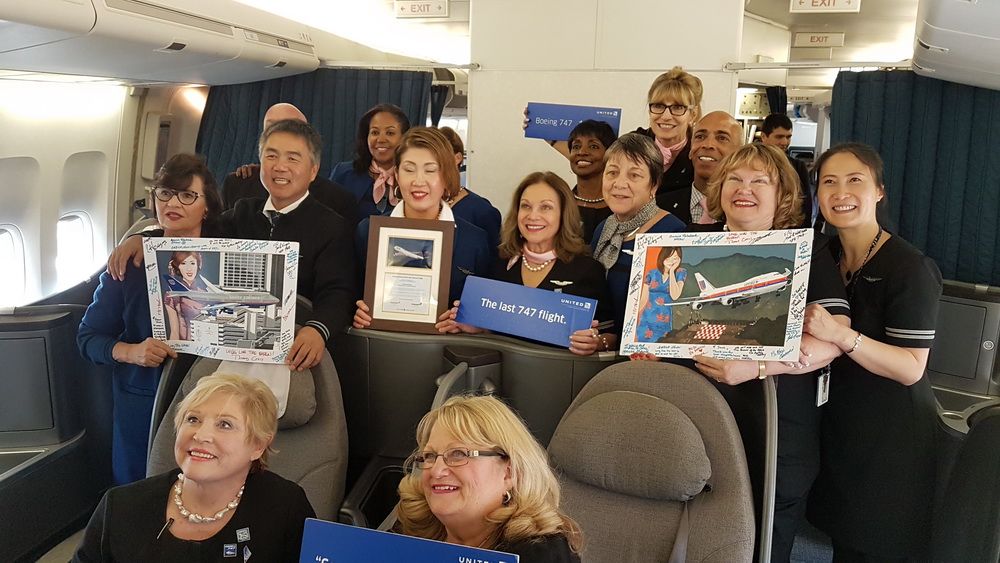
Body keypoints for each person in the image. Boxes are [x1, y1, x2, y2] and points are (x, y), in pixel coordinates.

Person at [680, 143, 851, 563]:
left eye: (761, 181)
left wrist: (755, 367)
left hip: (777, 434)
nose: (745, 189)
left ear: (782, 196)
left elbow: (834, 340)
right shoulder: (687, 247)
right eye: (735, 179)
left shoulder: (807, 251)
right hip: (696, 433)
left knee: (764, 549)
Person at [109, 120, 357, 372]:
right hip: (230, 345)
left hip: (293, 349)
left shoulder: (332, 227)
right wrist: (144, 237)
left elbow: (338, 293)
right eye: (271, 156)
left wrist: (317, 329)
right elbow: (192, 232)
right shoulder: (241, 213)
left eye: (293, 159)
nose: (280, 167)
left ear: (313, 170)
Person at [804, 142, 941, 562]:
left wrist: (843, 337)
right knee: (842, 544)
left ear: (878, 191)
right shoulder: (820, 253)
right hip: (839, 428)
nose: (840, 192)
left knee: (873, 548)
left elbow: (911, 368)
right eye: (829, 182)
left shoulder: (908, 267)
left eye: (855, 180)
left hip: (891, 439)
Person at [78, 154, 222, 485]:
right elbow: (88, 337)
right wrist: (132, 352)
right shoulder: (128, 267)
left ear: (208, 207)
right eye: (165, 193)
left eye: (188, 195)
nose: (173, 202)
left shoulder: (226, 259)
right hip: (144, 398)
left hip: (211, 398)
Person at [73, 373, 315, 562]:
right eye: (193, 419)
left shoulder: (286, 507)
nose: (201, 435)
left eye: (225, 424)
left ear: (258, 446)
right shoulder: (120, 506)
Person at [437, 171, 615, 355]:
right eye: (526, 206)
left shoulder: (586, 269)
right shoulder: (499, 262)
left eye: (546, 207)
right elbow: (497, 327)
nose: (533, 215)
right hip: (499, 377)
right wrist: (477, 327)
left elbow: (612, 336)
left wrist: (596, 342)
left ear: (563, 214)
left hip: (561, 376)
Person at [397, 394, 583, 561]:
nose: (437, 471)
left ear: (509, 472)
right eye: (429, 456)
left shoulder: (542, 553)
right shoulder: (413, 528)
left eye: (459, 454)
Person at [353, 127, 492, 327]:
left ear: (446, 176)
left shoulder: (474, 240)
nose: (418, 181)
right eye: (409, 170)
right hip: (378, 348)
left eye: (430, 170)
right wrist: (356, 311)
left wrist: (469, 323)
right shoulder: (367, 232)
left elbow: (486, 316)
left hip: (448, 352)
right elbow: (349, 294)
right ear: (397, 175)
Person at [532, 67, 700, 210]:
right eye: (658, 106)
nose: (666, 116)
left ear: (693, 114)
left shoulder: (700, 149)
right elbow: (597, 160)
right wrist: (547, 133)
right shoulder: (634, 141)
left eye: (678, 107)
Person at [591, 133, 685, 337]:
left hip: (646, 355)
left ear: (654, 185)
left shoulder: (673, 233)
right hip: (598, 348)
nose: (619, 183)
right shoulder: (603, 229)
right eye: (612, 173)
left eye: (634, 175)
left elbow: (673, 310)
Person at [220, 102, 358, 226]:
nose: (281, 135)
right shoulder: (238, 193)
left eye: (291, 128)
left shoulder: (337, 202)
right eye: (271, 127)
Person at [657, 110, 742, 224]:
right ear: (690, 150)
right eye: (700, 136)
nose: (708, 145)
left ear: (739, 153)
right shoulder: (658, 209)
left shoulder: (747, 210)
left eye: (722, 138)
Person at [329, 103, 411, 218]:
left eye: (390, 133)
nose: (381, 139)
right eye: (375, 132)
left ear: (404, 138)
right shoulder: (343, 173)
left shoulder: (412, 179)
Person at [437, 126, 502, 252]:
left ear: (458, 157)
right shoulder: (417, 207)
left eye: (441, 154)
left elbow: (492, 264)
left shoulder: (482, 211)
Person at [759, 113, 814, 229]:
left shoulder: (797, 167)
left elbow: (806, 205)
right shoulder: (749, 165)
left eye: (788, 137)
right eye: (779, 137)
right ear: (763, 136)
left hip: (788, 228)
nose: (784, 142)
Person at [567, 120, 616, 243]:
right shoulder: (561, 205)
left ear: (609, 155)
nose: (582, 152)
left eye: (593, 146)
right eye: (576, 147)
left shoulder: (623, 206)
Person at [635, 246, 685, 343]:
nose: (671, 261)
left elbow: (675, 296)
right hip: (646, 319)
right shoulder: (652, 273)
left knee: (662, 343)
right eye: (668, 257)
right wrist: (633, 316)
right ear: (663, 257)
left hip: (664, 319)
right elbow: (644, 298)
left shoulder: (680, 273)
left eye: (675, 258)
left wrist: (671, 272)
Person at [164, 251, 209, 341]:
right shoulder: (172, 296)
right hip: (183, 346)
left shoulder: (205, 293)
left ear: (198, 265)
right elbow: (174, 332)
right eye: (183, 263)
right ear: (177, 267)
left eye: (192, 263)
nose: (189, 269)